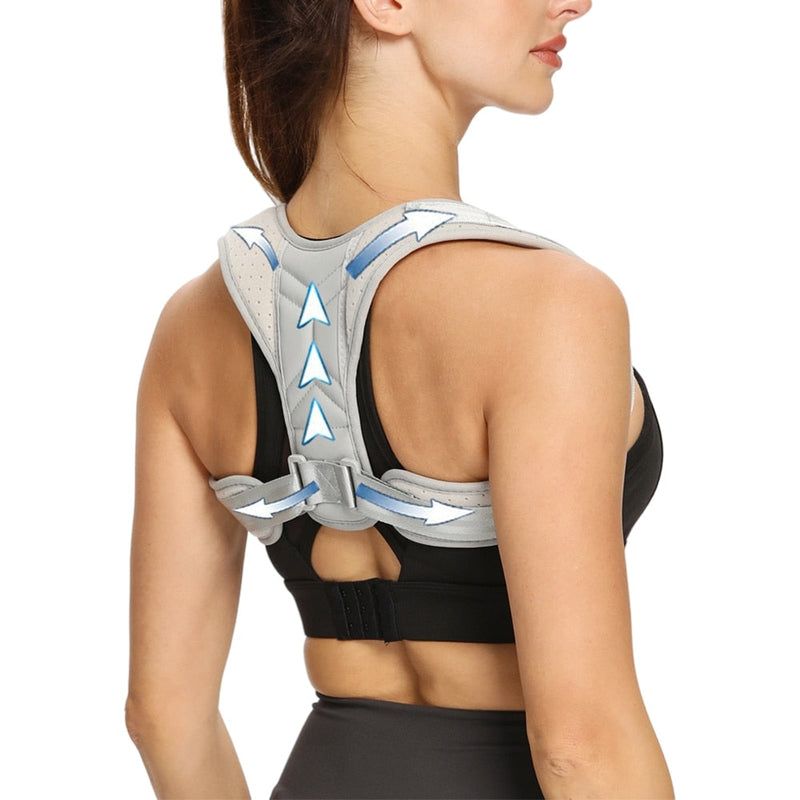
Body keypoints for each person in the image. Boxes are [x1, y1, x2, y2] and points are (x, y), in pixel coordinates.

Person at [126, 0, 674, 797]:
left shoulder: (192, 326)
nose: (577, 2)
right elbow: (580, 745)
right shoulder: (550, 308)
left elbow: (163, 715)